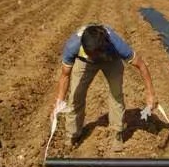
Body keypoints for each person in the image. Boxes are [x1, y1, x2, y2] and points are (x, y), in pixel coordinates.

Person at [53, 23, 157, 152]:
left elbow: (141, 65)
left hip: (111, 60)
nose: (92, 56)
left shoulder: (116, 44)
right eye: (89, 53)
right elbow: (65, 75)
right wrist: (59, 102)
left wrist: (150, 93)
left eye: (94, 54)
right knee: (76, 96)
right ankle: (73, 134)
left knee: (116, 94)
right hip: (84, 63)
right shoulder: (73, 46)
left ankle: (117, 133)